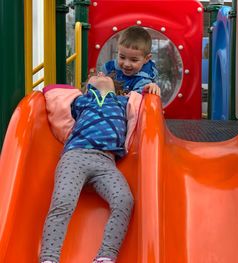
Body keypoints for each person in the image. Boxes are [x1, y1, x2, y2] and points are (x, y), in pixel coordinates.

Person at [40, 72, 161, 263]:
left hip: (106, 163)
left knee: (124, 200)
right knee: (63, 202)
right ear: (88, 87)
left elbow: (144, 107)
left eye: (105, 74)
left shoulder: (123, 102)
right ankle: (49, 258)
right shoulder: (82, 101)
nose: (100, 73)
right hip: (75, 157)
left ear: (117, 86)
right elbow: (55, 98)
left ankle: (105, 256)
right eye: (94, 76)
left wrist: (151, 90)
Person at [100, 25, 158, 95]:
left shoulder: (143, 81)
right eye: (122, 57)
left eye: (134, 60)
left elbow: (137, 101)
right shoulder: (110, 67)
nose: (126, 64)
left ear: (146, 59)